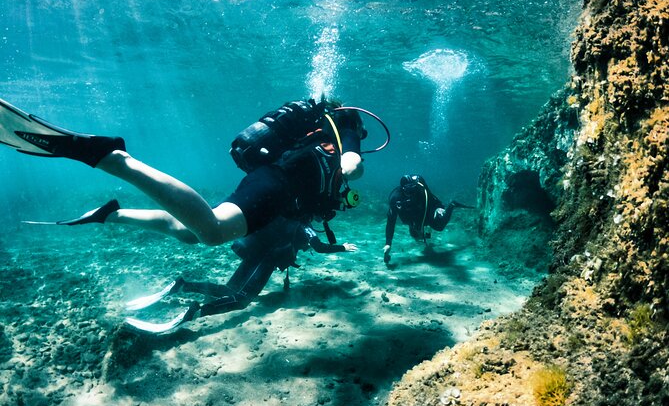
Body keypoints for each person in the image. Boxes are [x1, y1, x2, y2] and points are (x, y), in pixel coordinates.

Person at [0, 97, 366, 245]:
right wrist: (352, 165)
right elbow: (353, 163)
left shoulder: (317, 131)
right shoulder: (345, 126)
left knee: (191, 231)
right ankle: (112, 158)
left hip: (275, 182)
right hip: (278, 184)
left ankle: (111, 215)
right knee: (213, 232)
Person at [124, 216, 357, 333]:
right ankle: (196, 312)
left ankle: (182, 285)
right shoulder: (303, 224)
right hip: (265, 259)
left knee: (229, 291)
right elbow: (319, 247)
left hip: (255, 253)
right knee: (243, 299)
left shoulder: (284, 215)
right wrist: (342, 247)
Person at [383, 174, 474, 264]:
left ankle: (452, 205)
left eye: (412, 188)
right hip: (413, 219)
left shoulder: (420, 190)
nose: (411, 192)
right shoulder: (395, 198)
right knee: (416, 235)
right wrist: (388, 244)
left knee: (439, 227)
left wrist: (438, 208)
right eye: (408, 189)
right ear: (402, 189)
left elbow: (432, 199)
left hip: (426, 213)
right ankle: (425, 233)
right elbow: (391, 221)